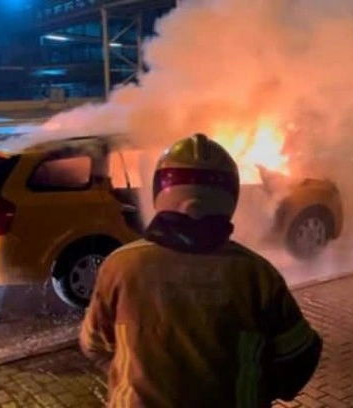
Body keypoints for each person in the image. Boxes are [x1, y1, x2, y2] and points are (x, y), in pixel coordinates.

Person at [80, 133, 323, 407]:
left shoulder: (121, 266)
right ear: (230, 197)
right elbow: (300, 356)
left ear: (160, 190)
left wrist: (135, 373)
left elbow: (94, 345)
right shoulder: (256, 274)